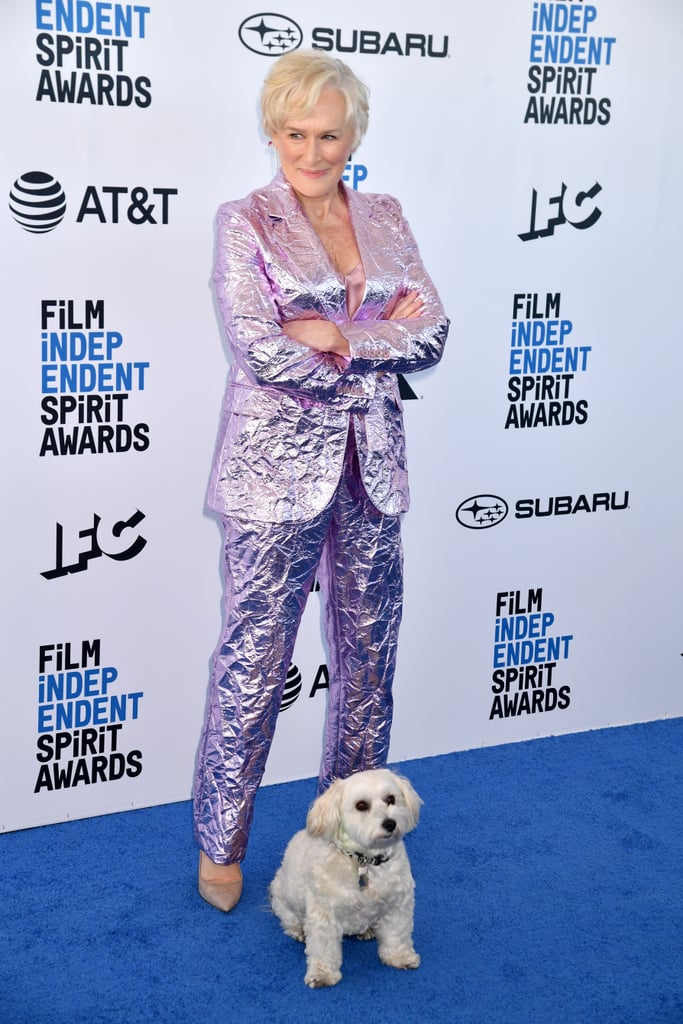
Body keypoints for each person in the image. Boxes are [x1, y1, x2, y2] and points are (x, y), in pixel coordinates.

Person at [193, 49, 449, 912]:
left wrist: (334, 335)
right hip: (273, 475)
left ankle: (357, 840)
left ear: (354, 135)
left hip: (371, 467)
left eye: (328, 134)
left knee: (369, 660)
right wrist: (375, 331)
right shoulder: (244, 220)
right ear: (272, 132)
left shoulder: (385, 214)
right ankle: (222, 841)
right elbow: (260, 347)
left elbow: (434, 334)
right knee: (254, 663)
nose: (310, 150)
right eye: (294, 132)